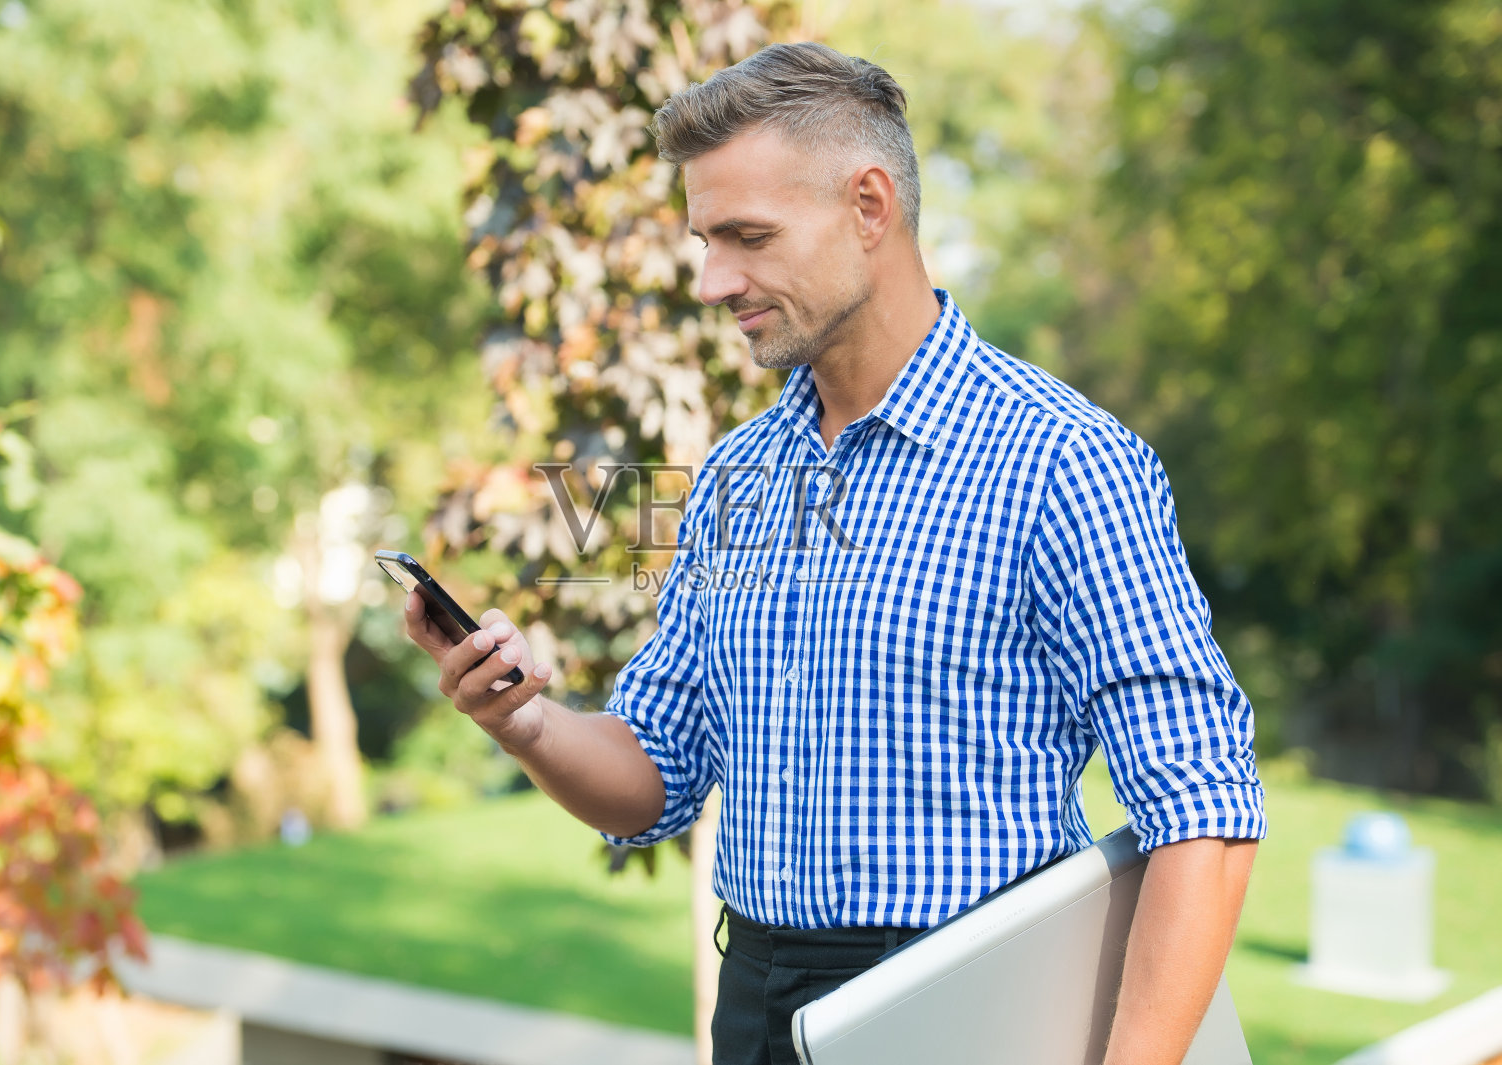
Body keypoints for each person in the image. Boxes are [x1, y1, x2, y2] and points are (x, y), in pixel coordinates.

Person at [404, 41, 1265, 1065]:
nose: (712, 280)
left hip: (966, 1012)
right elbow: (656, 771)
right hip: (758, 1011)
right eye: (703, 240)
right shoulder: (733, 477)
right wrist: (525, 719)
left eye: (747, 237)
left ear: (869, 207)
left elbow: (1202, 809)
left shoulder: (1063, 463)